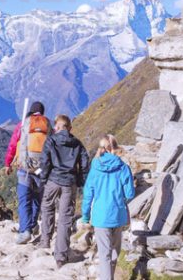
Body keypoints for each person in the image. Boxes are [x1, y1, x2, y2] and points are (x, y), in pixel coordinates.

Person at [38, 114, 90, 268]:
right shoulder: (77, 143)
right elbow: (85, 164)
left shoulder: (51, 140)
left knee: (47, 207)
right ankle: (60, 256)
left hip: (52, 180)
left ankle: (45, 240)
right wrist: (80, 180)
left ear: (57, 127)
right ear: (69, 127)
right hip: (69, 183)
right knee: (65, 218)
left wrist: (43, 179)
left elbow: (45, 161)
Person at [81, 135, 135, 280]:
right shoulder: (123, 167)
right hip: (118, 215)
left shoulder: (95, 167)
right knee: (115, 253)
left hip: (100, 217)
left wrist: (85, 215)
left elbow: (87, 194)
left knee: (104, 254)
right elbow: (130, 193)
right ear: (115, 149)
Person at [4, 101, 52, 244]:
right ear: (42, 113)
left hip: (24, 167)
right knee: (37, 198)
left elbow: (13, 145)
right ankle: (32, 225)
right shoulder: (47, 125)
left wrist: (8, 163)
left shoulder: (23, 124)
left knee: (24, 200)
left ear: (31, 111)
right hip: (41, 169)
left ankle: (25, 231)